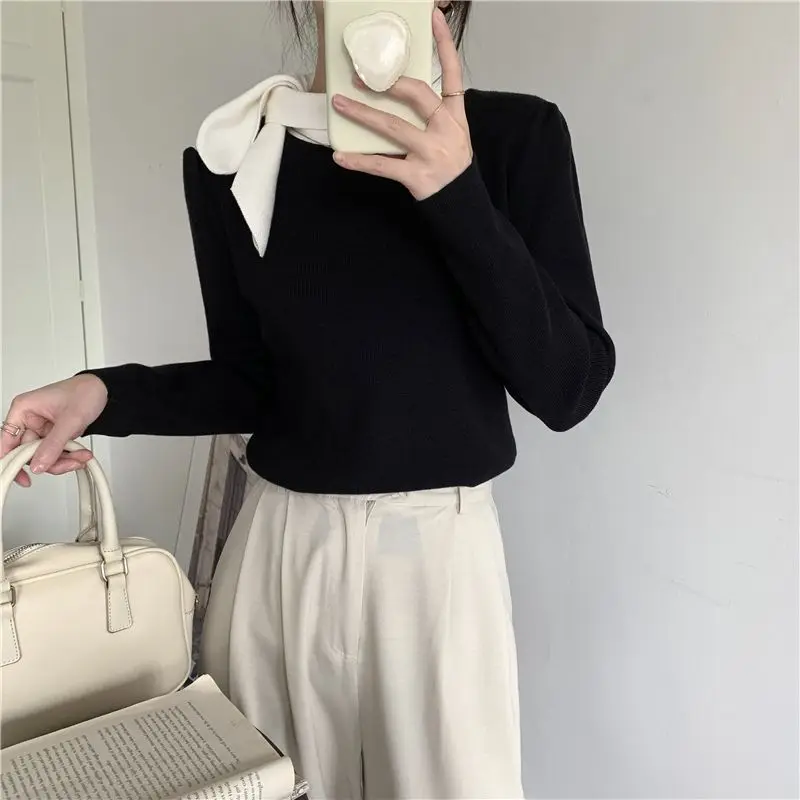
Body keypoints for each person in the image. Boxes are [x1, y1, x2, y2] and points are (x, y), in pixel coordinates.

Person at [1, 2, 615, 797]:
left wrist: (456, 194)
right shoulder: (235, 153)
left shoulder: (513, 138)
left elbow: (568, 386)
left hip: (436, 564)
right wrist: (104, 393)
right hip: (281, 553)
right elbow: (253, 382)